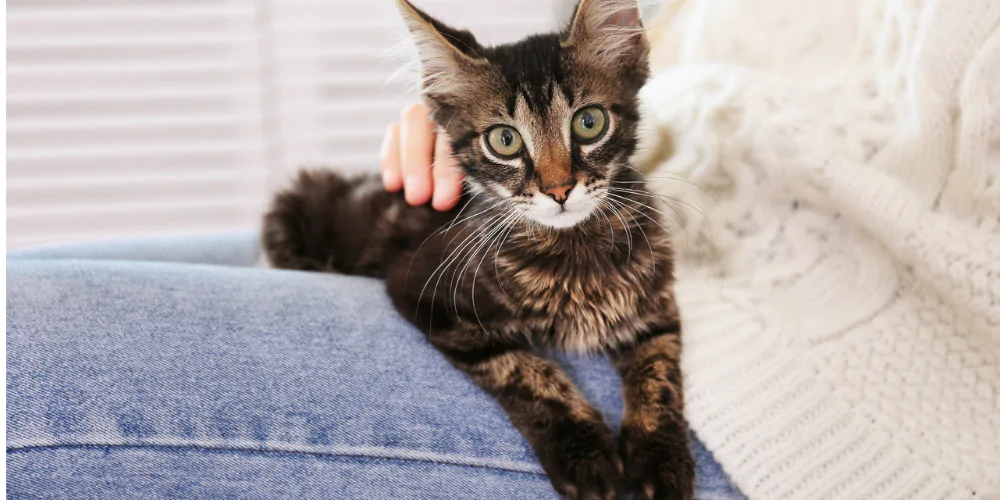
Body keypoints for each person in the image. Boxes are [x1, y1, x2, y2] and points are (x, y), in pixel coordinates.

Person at [6, 103, 743, 499]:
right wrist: (472, 120)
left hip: (748, 313)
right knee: (22, 276)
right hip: (489, 210)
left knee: (20, 340)